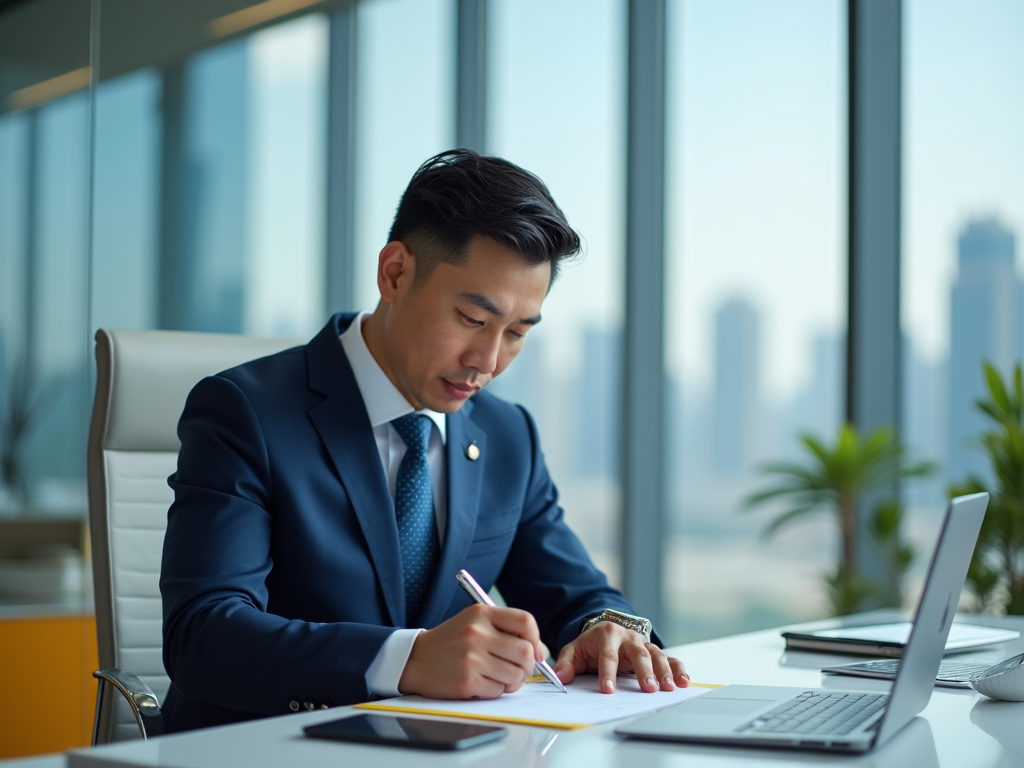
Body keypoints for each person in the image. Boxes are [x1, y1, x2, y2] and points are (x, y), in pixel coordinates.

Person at [160, 149, 688, 733]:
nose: (487, 362)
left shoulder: (508, 434)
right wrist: (407, 658)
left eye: (516, 333)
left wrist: (610, 628)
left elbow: (578, 592)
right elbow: (203, 635)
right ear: (394, 273)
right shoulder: (246, 412)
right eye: (471, 319)